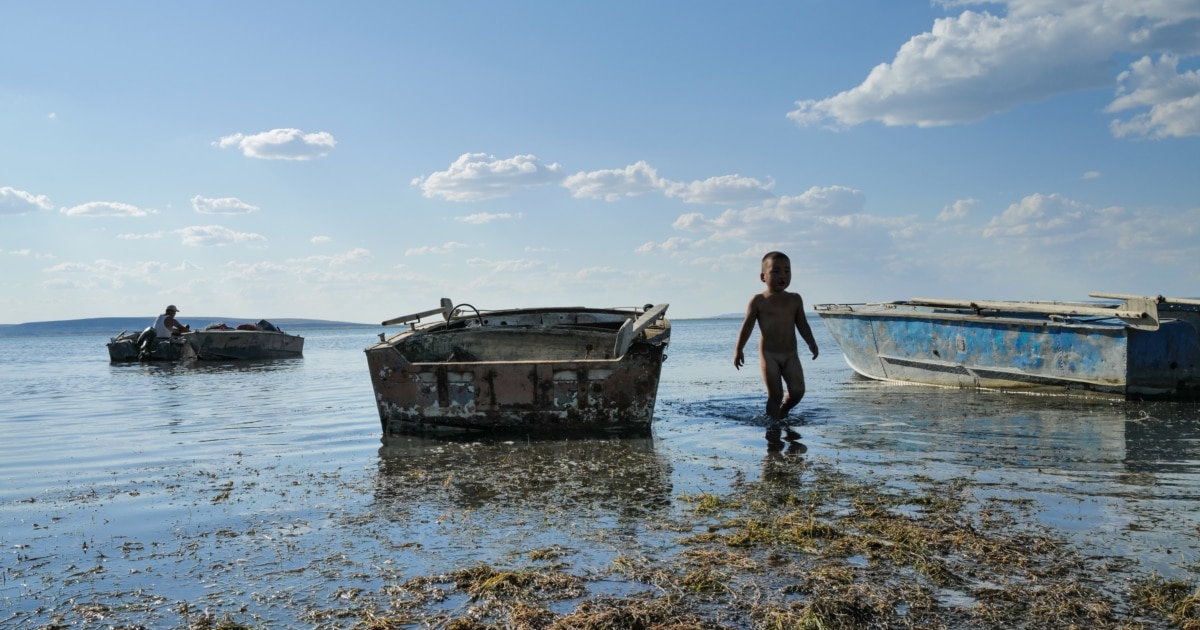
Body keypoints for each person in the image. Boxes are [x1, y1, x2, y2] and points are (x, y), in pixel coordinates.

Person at [734, 251, 819, 444]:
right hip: (769, 354)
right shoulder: (758, 301)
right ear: (763, 276)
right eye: (776, 271)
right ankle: (772, 432)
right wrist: (739, 349)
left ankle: (784, 411)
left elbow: (802, 324)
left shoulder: (795, 299)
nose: (783, 276)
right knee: (776, 394)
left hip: (790, 355)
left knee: (797, 391)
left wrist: (811, 342)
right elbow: (747, 326)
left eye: (787, 271)